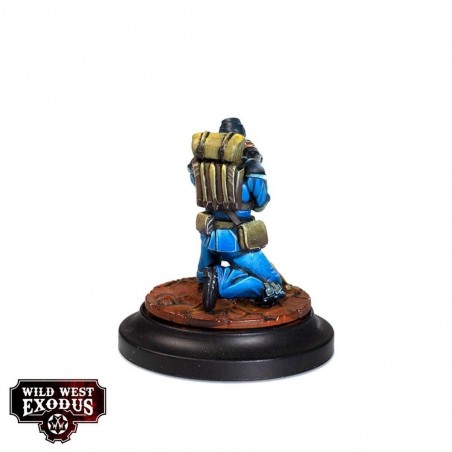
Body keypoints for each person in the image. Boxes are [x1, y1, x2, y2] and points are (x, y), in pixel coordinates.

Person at [188, 118, 285, 312]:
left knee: (202, 275)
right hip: (236, 241)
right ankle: (221, 281)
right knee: (274, 284)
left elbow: (197, 184)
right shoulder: (252, 168)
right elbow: (261, 203)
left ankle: (206, 274)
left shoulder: (200, 164)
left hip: (208, 235)